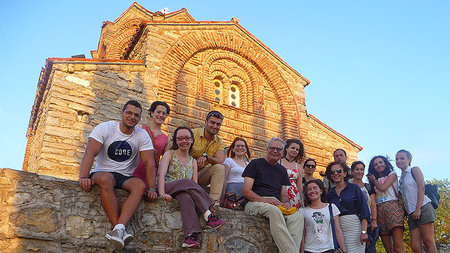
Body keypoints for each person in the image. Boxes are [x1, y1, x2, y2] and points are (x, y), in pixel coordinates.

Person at [78, 100, 157, 250]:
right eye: (128, 113)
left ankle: (118, 229)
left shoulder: (142, 134)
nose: (132, 117)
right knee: (106, 179)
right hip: (103, 172)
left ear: (139, 118)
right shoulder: (105, 128)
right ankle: (120, 229)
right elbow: (90, 152)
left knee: (140, 185)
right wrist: (83, 176)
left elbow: (149, 163)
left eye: (136, 115)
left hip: (125, 175)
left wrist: (152, 188)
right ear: (121, 113)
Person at [158, 126, 224, 249]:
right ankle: (208, 214)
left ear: (192, 140)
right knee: (185, 182)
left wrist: (196, 198)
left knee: (186, 197)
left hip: (183, 190)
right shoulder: (169, 154)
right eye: (180, 138)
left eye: (187, 138)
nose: (184, 141)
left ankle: (190, 236)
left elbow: (194, 183)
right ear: (176, 141)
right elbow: (161, 174)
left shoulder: (193, 161)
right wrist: (162, 194)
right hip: (169, 187)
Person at [242, 137, 304, 253]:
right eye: (272, 148)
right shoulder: (255, 163)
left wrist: (286, 203)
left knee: (298, 217)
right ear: (267, 149)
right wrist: (264, 200)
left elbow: (284, 195)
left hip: (275, 203)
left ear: (282, 152)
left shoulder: (282, 170)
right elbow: (246, 191)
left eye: (278, 149)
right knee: (274, 210)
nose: (275, 151)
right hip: (254, 202)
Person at [396, 149, 437, 253]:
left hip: (422, 207)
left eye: (402, 158)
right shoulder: (400, 179)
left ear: (409, 159)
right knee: (415, 246)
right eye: (397, 159)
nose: (399, 161)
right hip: (411, 213)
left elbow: (421, 188)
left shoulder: (414, 170)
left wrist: (418, 209)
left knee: (428, 242)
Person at [326, 161, 370, 253]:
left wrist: (364, 232)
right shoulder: (330, 194)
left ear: (345, 173)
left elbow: (364, 210)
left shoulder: (354, 188)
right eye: (332, 172)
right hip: (338, 230)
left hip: (354, 228)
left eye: (339, 171)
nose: (336, 174)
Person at [367, 156, 405, 253]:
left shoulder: (392, 174)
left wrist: (374, 181)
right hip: (380, 209)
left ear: (385, 163)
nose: (379, 165)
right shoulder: (373, 181)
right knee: (389, 249)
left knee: (398, 247)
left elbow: (383, 188)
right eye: (376, 164)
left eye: (381, 162)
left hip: (393, 207)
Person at [301, 179, 346, 253]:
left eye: (315, 188)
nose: (312, 191)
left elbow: (338, 230)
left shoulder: (331, 207)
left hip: (328, 248)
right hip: (309, 249)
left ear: (321, 191)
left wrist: (344, 251)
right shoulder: (303, 211)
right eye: (309, 189)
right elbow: (303, 234)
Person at [190, 111, 226, 204]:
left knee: (219, 168)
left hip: (199, 175)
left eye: (218, 124)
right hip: (185, 173)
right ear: (206, 122)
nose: (215, 126)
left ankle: (214, 203)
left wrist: (207, 157)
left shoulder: (219, 141)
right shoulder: (193, 134)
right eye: (212, 122)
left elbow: (220, 161)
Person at [133, 101, 170, 187]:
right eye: (158, 112)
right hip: (135, 169)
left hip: (152, 173)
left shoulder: (167, 139)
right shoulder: (139, 128)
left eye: (164, 114)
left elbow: (165, 161)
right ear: (152, 113)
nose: (161, 115)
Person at [351, 161, 379, 253]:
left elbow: (373, 204)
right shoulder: (348, 188)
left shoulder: (368, 187)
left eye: (361, 169)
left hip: (368, 224)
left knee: (369, 249)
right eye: (357, 169)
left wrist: (374, 220)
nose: (359, 171)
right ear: (352, 171)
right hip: (353, 224)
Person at [280, 138, 305, 208]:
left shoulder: (299, 167)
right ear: (286, 148)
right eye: (292, 148)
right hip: (281, 191)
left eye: (297, 149)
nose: (295, 150)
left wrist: (300, 198)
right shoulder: (279, 162)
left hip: (294, 194)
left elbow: (299, 184)